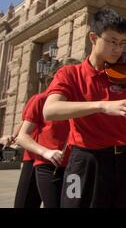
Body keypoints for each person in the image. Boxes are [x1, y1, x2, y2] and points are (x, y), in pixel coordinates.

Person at [43, 8, 126, 208]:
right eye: (112, 42)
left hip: (124, 161)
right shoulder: (70, 73)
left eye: (122, 43)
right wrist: (102, 106)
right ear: (93, 37)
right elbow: (50, 110)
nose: (118, 50)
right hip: (86, 160)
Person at [15, 58, 80, 208]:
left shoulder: (79, 102)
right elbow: (23, 132)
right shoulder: (40, 99)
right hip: (41, 160)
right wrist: (45, 152)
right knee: (27, 202)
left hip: (73, 166)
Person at [6, 121, 42, 208]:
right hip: (32, 154)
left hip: (43, 153)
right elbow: (25, 120)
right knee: (25, 200)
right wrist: (14, 135)